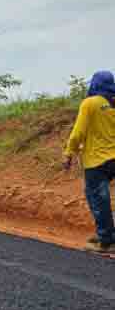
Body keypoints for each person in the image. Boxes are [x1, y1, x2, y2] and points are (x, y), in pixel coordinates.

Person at [63, 70, 115, 253]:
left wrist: (69, 152)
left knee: (98, 199)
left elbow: (78, 132)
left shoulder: (90, 103)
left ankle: (107, 241)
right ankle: (106, 234)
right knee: (97, 196)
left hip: (97, 161)